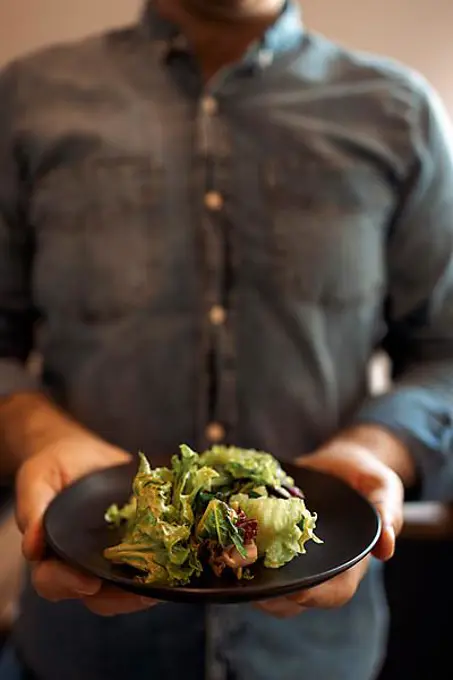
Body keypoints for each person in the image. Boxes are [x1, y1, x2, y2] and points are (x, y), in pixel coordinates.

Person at [0, 0, 452, 678]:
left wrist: (373, 447)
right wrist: (42, 437)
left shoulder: (399, 111)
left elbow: (444, 351)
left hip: (318, 656)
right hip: (80, 652)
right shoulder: (27, 98)